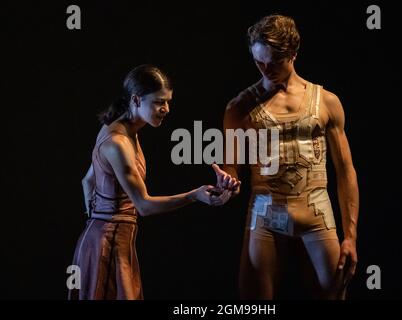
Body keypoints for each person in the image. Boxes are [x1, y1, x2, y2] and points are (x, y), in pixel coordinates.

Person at [69, 64, 240, 300]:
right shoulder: (118, 142)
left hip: (112, 241)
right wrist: (194, 195)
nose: (166, 109)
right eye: (159, 102)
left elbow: (87, 181)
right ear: (137, 100)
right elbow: (144, 205)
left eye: (168, 101)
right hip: (107, 247)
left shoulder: (126, 130)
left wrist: (97, 221)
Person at [219, 14, 359, 299]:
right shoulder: (240, 107)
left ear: (293, 54)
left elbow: (345, 170)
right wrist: (227, 181)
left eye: (273, 63)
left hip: (316, 212)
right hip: (267, 213)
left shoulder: (326, 102)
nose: (265, 69)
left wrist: (351, 236)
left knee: (335, 294)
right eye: (258, 62)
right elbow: (231, 167)